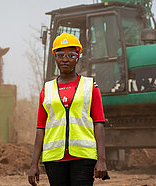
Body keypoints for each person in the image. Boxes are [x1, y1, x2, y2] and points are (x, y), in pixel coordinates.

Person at [28, 32, 107, 186]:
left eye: (71, 55)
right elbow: (40, 128)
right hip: (53, 159)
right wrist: (33, 164)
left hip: (83, 157)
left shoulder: (90, 86)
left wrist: (101, 160)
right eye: (60, 55)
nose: (65, 59)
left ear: (78, 57)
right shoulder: (47, 89)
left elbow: (99, 123)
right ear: (55, 57)